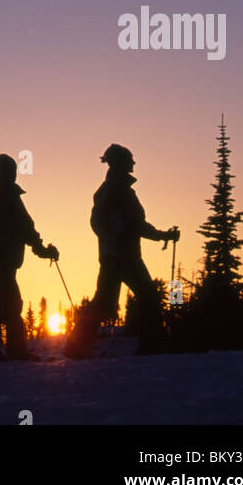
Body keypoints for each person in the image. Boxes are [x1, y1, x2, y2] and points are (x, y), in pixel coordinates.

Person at [64, 144, 179, 359]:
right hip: (120, 257)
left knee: (110, 302)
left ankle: (76, 347)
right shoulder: (111, 191)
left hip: (120, 256)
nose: (134, 163)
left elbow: (135, 225)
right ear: (120, 163)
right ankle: (151, 347)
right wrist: (115, 240)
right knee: (145, 299)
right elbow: (98, 222)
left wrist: (163, 235)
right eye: (130, 159)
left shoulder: (118, 190)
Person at [0, 153, 59, 362]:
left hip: (8, 260)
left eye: (14, 170)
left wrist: (44, 251)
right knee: (11, 302)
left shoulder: (13, 199)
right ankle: (12, 350)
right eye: (9, 170)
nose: (13, 174)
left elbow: (27, 230)